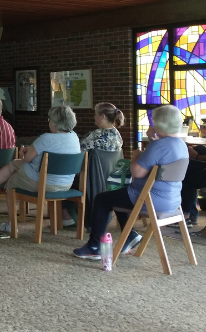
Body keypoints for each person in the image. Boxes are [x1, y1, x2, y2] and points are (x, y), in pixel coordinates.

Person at [73, 105, 188, 260]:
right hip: (172, 202)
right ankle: (129, 236)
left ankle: (94, 246)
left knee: (101, 199)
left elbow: (137, 172)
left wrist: (136, 155)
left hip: (149, 199)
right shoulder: (181, 145)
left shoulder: (157, 146)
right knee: (118, 197)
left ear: (159, 123)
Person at [0, 106, 81, 206]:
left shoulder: (46, 138)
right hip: (65, 184)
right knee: (14, 164)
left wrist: (22, 153)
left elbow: (27, 160)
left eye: (49, 119)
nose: (49, 122)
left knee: (12, 180)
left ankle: (10, 224)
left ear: (55, 122)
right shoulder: (74, 137)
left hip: (44, 183)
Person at [62, 103, 125, 226]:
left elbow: (77, 151)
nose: (94, 117)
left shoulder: (97, 135)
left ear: (102, 117)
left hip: (92, 182)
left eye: (95, 114)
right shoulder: (118, 135)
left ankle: (67, 217)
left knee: (62, 180)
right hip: (110, 180)